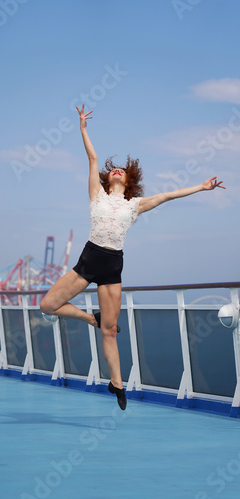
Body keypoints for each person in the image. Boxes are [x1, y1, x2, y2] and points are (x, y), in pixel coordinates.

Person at [40, 104, 225, 410]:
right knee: (47, 305)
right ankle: (90, 319)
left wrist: (202, 188)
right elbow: (93, 158)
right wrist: (83, 128)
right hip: (89, 259)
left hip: (112, 265)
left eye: (122, 172)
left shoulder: (135, 205)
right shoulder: (95, 194)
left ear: (127, 183)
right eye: (115, 170)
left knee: (111, 331)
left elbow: (168, 196)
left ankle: (117, 383)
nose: (117, 171)